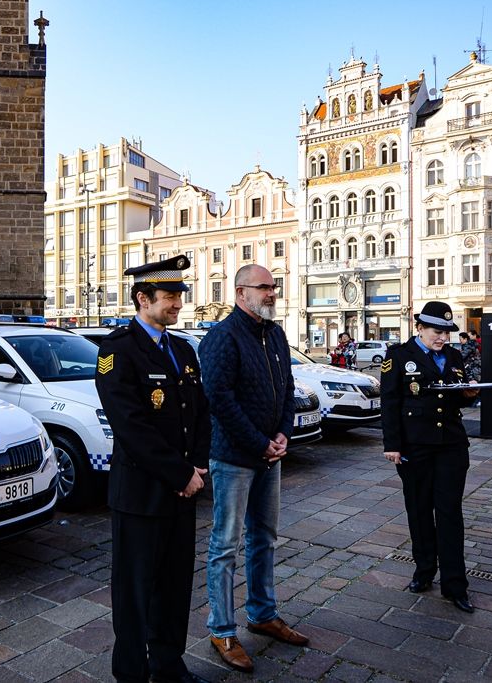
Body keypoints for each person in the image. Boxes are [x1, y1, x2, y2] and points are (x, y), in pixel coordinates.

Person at [94, 254, 212, 683]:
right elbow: (131, 426)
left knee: (174, 587)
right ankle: (131, 672)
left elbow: (200, 412)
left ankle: (167, 664)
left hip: (182, 493)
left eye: (180, 295)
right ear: (143, 298)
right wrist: (181, 475)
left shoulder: (182, 349)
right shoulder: (116, 351)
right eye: (169, 297)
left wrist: (197, 465)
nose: (178, 304)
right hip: (141, 495)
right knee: (134, 593)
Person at [199, 264, 308, 674]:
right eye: (264, 288)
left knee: (265, 538)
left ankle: (263, 613)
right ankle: (222, 629)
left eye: (274, 287)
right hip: (234, 458)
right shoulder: (222, 337)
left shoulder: (275, 334)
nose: (272, 294)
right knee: (225, 545)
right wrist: (259, 442)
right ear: (241, 292)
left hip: (269, 455)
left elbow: (286, 390)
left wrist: (282, 434)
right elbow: (219, 400)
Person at [380, 301, 479, 613]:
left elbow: (454, 399)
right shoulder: (398, 356)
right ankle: (424, 571)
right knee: (419, 510)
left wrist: (469, 393)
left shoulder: (452, 356)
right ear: (419, 327)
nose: (443, 338)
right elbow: (390, 401)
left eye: (446, 333)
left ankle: (455, 585)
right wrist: (392, 444)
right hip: (414, 446)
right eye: (437, 332)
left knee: (449, 512)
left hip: (451, 444)